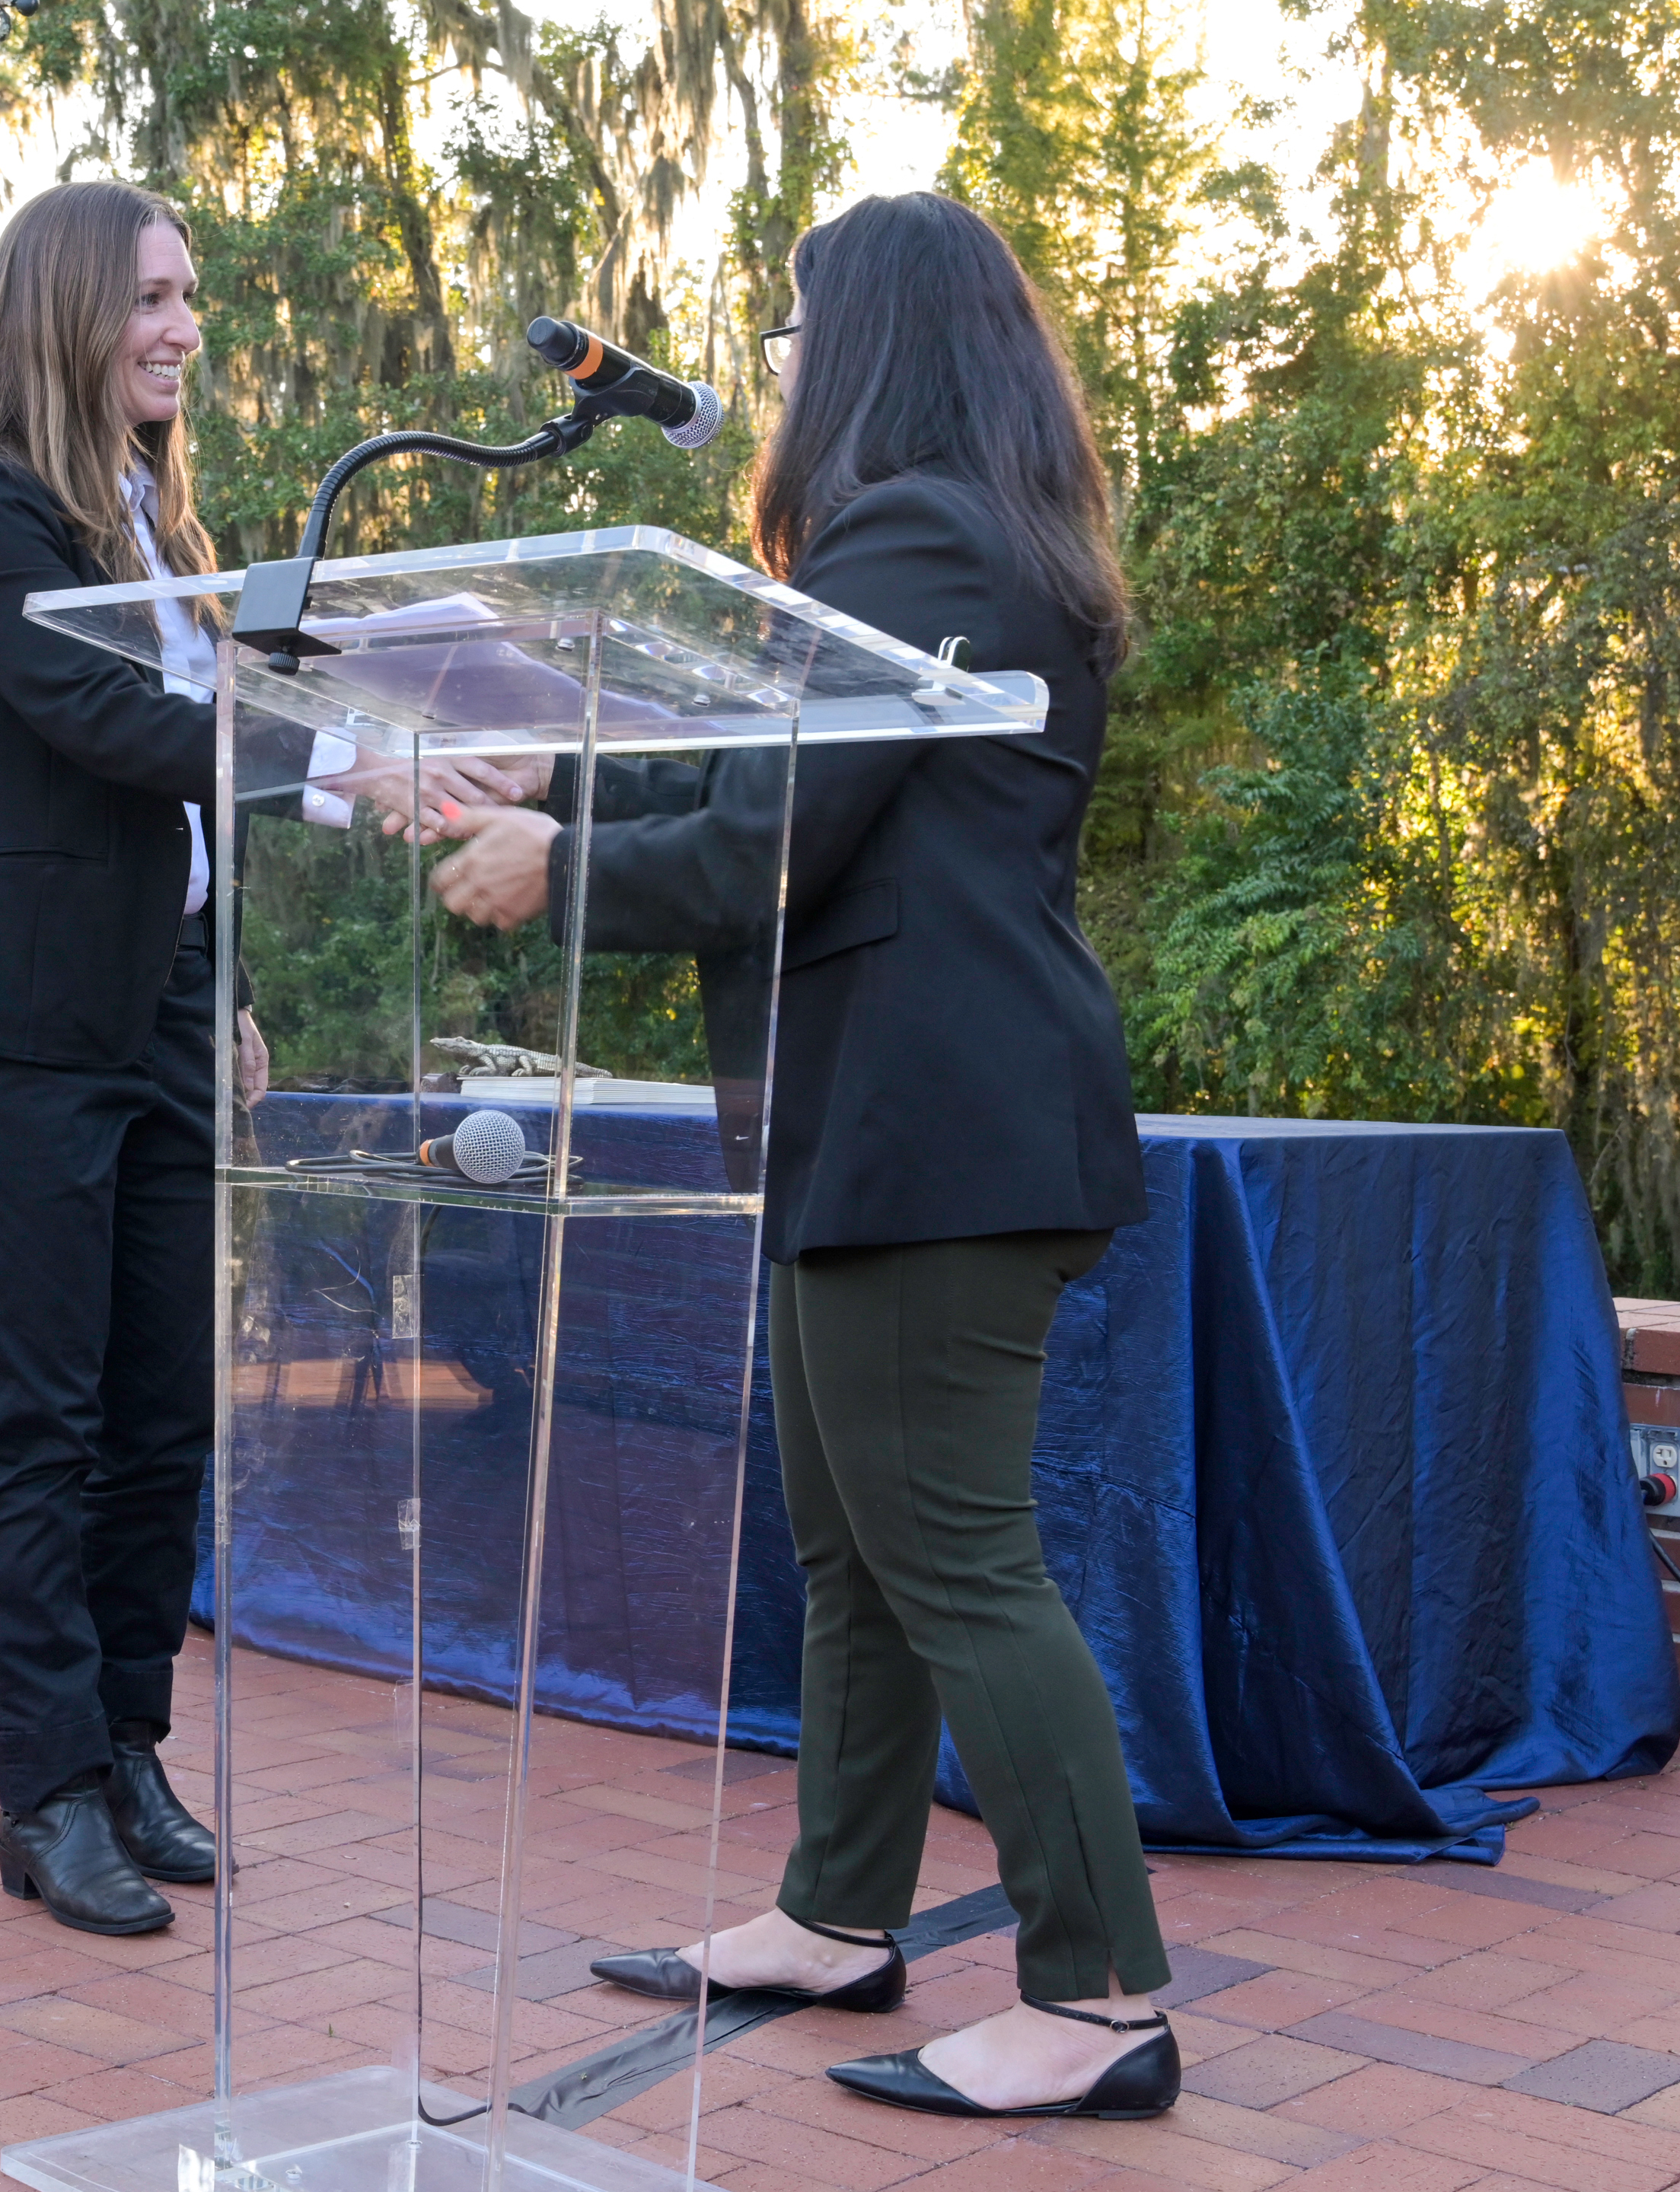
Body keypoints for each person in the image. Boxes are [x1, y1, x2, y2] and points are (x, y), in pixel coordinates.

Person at [427, 193, 1177, 2121]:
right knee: (860, 1555)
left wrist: (559, 865)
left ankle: (1101, 2006)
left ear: (874, 343)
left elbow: (782, 848)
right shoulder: (942, 538)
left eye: (791, 321)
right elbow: (768, 778)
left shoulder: (920, 534)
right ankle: (838, 1913)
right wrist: (554, 769)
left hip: (943, 1126)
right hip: (881, 1124)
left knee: (958, 1560)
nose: (768, 358)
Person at [0, 179, 338, 1938]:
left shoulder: (146, 515)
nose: (181, 328)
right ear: (65, 307)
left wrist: (220, 983)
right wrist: (339, 760)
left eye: (189, 296)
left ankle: (127, 1744)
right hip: (10, 1036)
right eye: (149, 296)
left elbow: (174, 817)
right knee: (34, 1420)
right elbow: (107, 727)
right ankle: (44, 1793)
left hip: (155, 1013)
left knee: (157, 1415)